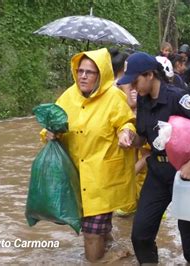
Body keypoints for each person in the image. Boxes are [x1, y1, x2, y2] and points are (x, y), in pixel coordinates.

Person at [116, 52, 190, 264]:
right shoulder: (144, 103)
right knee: (140, 236)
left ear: (149, 75)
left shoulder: (178, 97)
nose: (133, 88)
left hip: (185, 175)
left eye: (135, 81)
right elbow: (144, 140)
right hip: (157, 173)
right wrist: (130, 137)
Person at [41, 48, 137, 262]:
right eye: (80, 71)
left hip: (102, 178)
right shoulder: (68, 96)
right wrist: (47, 133)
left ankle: (95, 261)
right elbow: (52, 122)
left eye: (89, 72)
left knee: (91, 234)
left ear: (101, 74)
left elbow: (127, 122)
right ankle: (115, 253)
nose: (83, 76)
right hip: (76, 177)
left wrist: (126, 134)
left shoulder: (113, 97)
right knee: (96, 228)